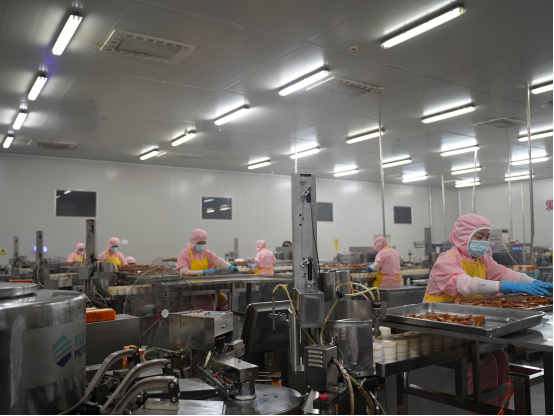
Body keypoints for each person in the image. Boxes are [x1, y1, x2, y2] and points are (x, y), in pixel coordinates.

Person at [425, 214, 553, 408]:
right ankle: (481, 410)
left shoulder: (482, 260)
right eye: (479, 237)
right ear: (464, 236)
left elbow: (505, 273)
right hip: (443, 325)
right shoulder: (446, 260)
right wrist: (504, 286)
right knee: (486, 364)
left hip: (469, 324)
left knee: (501, 360)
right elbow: (464, 284)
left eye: (487, 237)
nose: (484, 242)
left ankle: (497, 408)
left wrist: (533, 282)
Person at [176, 229, 240, 311]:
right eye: (199, 243)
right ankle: (208, 319)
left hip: (206, 286)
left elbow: (218, 261)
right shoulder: (185, 253)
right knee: (209, 303)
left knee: (223, 302)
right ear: (193, 242)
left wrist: (230, 266)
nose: (202, 245)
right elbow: (183, 272)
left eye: (203, 243)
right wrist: (203, 272)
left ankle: (222, 318)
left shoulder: (206, 253)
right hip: (191, 288)